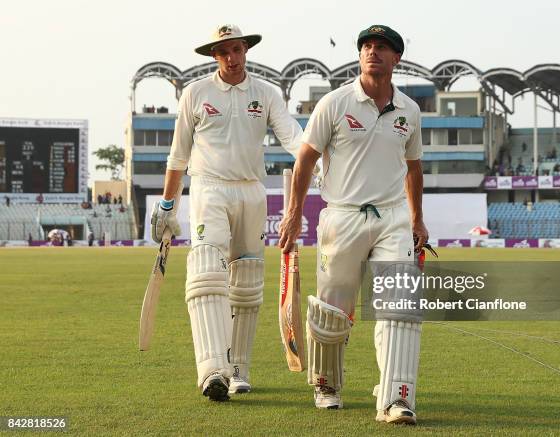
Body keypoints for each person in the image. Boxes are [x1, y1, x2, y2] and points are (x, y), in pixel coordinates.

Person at [279, 25, 428, 425]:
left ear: (396, 58)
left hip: (392, 217)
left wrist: (417, 220)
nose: (372, 52)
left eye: (381, 47)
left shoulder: (409, 111)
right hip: (342, 216)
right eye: (366, 46)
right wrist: (294, 215)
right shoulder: (335, 102)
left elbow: (414, 170)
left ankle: (396, 397)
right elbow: (305, 160)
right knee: (332, 310)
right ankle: (326, 383)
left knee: (400, 306)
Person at [150, 24, 303, 402]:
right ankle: (212, 369)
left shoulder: (265, 93)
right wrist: (169, 204)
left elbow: (295, 138)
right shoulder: (196, 93)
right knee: (206, 271)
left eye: (237, 50)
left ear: (246, 50)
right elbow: (178, 155)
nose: (232, 59)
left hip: (252, 189)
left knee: (248, 280)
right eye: (224, 53)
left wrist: (324, 162)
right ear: (214, 56)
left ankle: (239, 370)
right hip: (209, 188)